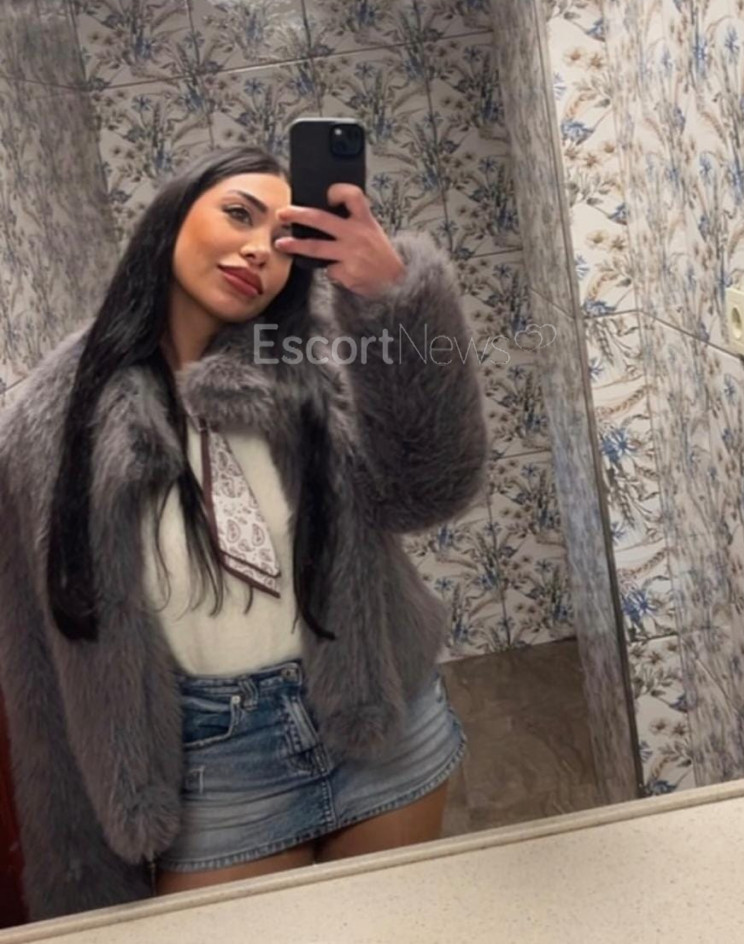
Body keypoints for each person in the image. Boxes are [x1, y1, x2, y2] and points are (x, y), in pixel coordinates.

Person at [0, 144, 489, 922]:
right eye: (238, 214)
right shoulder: (51, 416)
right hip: (214, 763)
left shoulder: (312, 356)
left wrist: (389, 298)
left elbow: (430, 489)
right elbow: (37, 655)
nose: (260, 250)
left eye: (280, 239)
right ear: (169, 219)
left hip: (377, 708)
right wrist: (76, 859)